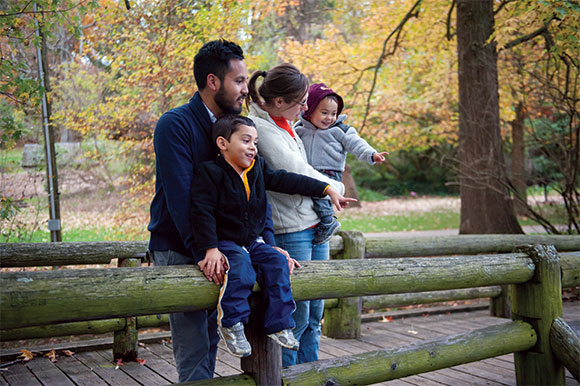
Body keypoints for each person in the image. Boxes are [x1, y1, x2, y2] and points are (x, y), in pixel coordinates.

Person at [147, 39, 279, 382]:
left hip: (227, 249)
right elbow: (181, 197)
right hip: (181, 246)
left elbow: (257, 191)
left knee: (217, 341)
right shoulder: (174, 125)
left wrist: (265, 242)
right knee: (195, 350)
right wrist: (206, 251)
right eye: (238, 81)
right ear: (212, 82)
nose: (245, 90)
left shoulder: (238, 129)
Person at [190, 115, 355, 358]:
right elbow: (200, 211)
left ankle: (279, 324)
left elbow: (286, 179)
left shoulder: (257, 168)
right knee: (242, 269)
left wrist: (325, 189)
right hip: (225, 241)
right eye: (246, 141)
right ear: (223, 143)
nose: (253, 148)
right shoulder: (210, 172)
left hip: (253, 240)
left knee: (278, 262)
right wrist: (210, 248)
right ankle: (232, 324)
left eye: (255, 142)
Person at [247, 63, 346, 367]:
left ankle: (310, 373)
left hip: (313, 224)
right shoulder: (261, 128)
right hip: (290, 229)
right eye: (301, 102)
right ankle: (289, 376)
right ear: (278, 101)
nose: (306, 107)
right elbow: (295, 171)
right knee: (297, 316)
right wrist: (334, 186)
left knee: (316, 313)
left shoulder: (285, 122)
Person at [294, 83, 389, 244]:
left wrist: (372, 155)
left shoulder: (341, 130)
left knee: (320, 193)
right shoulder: (299, 128)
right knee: (309, 195)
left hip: (330, 171)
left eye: (333, 113)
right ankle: (319, 223)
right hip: (308, 169)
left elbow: (357, 144)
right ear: (309, 110)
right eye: (324, 113)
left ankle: (328, 221)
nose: (329, 118)